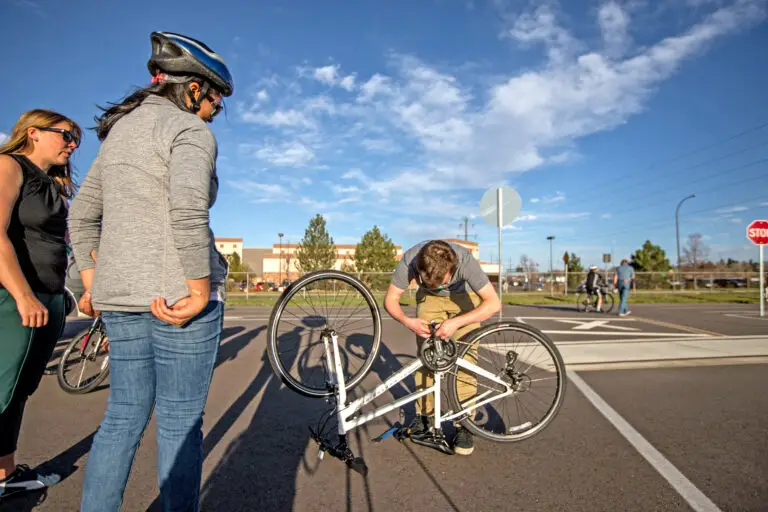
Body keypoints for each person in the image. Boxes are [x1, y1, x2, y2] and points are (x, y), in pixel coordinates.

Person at [68, 31, 233, 512]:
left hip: (121, 298)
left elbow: (81, 214)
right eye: (216, 99)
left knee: (121, 418)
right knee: (180, 422)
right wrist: (200, 290)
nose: (215, 110)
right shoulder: (190, 132)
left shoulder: (121, 133)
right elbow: (187, 213)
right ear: (194, 88)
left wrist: (94, 282)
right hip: (179, 297)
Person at [0, 110, 81, 499]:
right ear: (33, 132)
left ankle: (4, 474)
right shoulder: (9, 165)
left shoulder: (52, 185)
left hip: (48, 298)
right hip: (15, 299)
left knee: (18, 391)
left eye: (75, 139)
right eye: (66, 135)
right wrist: (22, 294)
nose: (73, 144)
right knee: (0, 389)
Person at [384, 240, 501, 456]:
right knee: (427, 359)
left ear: (452, 269)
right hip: (430, 301)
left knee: (465, 362)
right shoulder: (410, 260)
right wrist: (408, 322)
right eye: (430, 281)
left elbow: (493, 303)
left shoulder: (464, 260)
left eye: (443, 282)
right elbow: (390, 299)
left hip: (464, 299)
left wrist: (456, 323)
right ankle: (424, 417)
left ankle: (463, 424)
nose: (440, 287)